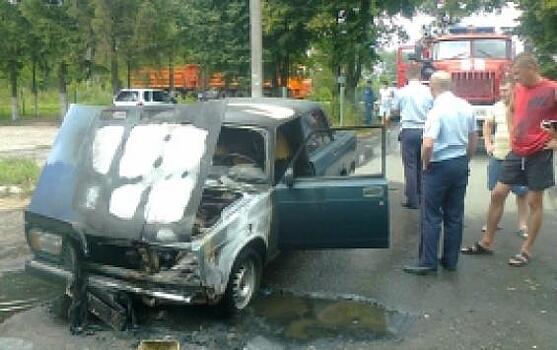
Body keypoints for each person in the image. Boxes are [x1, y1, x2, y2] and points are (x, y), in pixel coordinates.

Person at [461, 53, 557, 266]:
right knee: (497, 193)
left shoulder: (551, 89)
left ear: (531, 68)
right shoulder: (518, 89)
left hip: (539, 152)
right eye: (513, 74)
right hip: (517, 150)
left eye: (517, 73)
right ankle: (486, 242)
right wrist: (513, 132)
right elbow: (511, 111)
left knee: (534, 201)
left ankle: (527, 250)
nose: (515, 78)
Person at [403, 71, 477, 275]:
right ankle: (450, 261)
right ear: (450, 86)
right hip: (460, 163)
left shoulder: (436, 110)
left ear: (432, 88)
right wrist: (466, 160)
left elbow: (427, 144)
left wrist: (425, 164)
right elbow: (473, 138)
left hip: (439, 166)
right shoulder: (466, 106)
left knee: (431, 215)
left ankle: (428, 262)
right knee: (454, 215)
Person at [482, 80, 529, 237]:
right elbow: (487, 126)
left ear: (514, 90)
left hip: (517, 156)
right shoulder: (495, 107)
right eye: (500, 91)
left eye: (505, 90)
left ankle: (522, 225)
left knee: (521, 193)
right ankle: (493, 223)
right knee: (496, 192)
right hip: (498, 156)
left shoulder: (522, 105)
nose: (502, 94)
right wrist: (488, 144)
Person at [391, 66, 433, 209]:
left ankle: (412, 200)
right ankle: (423, 196)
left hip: (408, 130)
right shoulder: (428, 92)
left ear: (407, 76)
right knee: (423, 165)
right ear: (421, 76)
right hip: (425, 130)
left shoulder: (401, 92)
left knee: (410, 166)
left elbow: (394, 110)